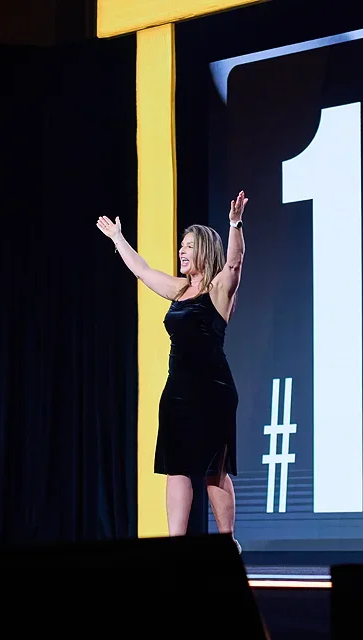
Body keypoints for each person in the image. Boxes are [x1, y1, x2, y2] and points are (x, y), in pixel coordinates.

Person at [96, 191, 248, 551]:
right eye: (180, 246)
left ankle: (227, 545)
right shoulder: (179, 290)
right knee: (176, 467)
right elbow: (144, 271)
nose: (181, 251)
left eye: (189, 246)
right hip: (177, 392)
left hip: (212, 390)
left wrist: (235, 224)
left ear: (205, 251)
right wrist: (119, 238)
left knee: (214, 470)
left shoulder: (219, 290)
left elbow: (235, 264)